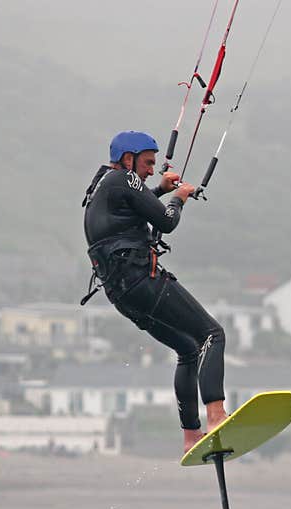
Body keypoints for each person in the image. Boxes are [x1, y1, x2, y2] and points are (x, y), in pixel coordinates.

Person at [82, 130, 228, 453]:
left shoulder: (103, 187)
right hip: (142, 280)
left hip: (122, 295)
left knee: (189, 350)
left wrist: (160, 189)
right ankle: (217, 416)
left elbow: (132, 208)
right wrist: (179, 197)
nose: (151, 169)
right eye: (148, 163)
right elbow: (165, 221)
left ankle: (192, 436)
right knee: (212, 335)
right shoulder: (123, 178)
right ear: (127, 159)